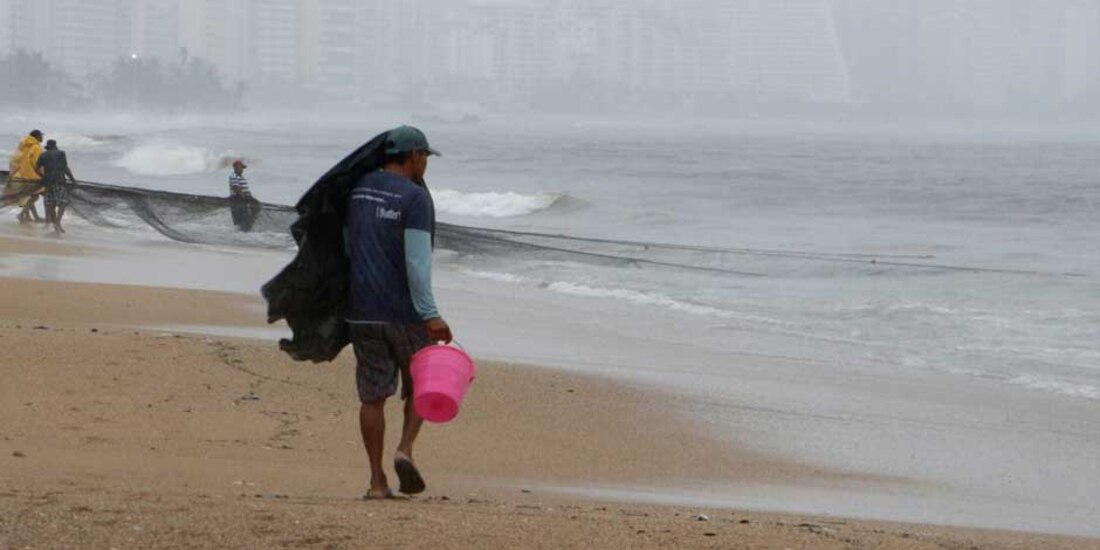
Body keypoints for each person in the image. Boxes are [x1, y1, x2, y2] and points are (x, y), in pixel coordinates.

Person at [345, 126, 452, 500]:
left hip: (360, 311)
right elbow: (417, 262)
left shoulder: (358, 188)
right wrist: (430, 313)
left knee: (372, 396)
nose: (426, 165)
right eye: (424, 157)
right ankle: (404, 449)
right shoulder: (415, 198)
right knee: (423, 383)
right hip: (403, 313)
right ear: (413, 156)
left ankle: (376, 482)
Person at [35, 139, 77, 234]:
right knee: (63, 202)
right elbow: (65, 168)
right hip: (59, 181)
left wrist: (43, 176)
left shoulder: (43, 155)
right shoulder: (61, 153)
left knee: (51, 204)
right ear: (55, 146)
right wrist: (73, 180)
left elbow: (36, 168)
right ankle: (57, 222)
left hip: (48, 183)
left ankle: (55, 224)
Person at [4, 130, 45, 223]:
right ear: (37, 136)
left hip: (20, 174)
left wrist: (13, 173)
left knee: (29, 196)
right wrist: (43, 174)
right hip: (31, 175)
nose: (42, 138)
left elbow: (17, 158)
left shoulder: (24, 145)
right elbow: (36, 163)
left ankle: (29, 216)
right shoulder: (36, 147)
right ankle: (22, 214)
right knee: (35, 196)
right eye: (41, 136)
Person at [228, 159, 260, 231]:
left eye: (242, 168)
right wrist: (244, 198)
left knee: (255, 207)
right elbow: (236, 188)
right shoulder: (234, 176)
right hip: (238, 198)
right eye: (240, 167)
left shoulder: (240, 177)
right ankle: (244, 227)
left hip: (244, 197)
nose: (242, 169)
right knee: (246, 212)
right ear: (236, 168)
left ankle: (247, 225)